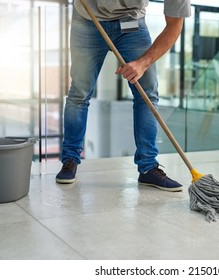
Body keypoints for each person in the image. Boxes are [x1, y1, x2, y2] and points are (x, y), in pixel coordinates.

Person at [56, 0, 191, 192]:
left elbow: (175, 24)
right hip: (87, 20)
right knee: (80, 92)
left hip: (130, 22)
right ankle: (70, 160)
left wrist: (143, 63)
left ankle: (148, 168)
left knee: (147, 93)